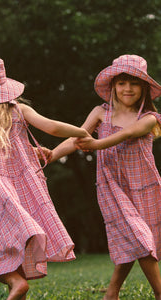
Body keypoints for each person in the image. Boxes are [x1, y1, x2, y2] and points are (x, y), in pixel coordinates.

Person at [0, 56, 89, 300]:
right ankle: (18, 286)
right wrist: (81, 131)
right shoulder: (18, 110)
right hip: (28, 188)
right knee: (20, 242)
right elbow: (53, 128)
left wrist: (31, 151)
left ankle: (15, 281)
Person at [51, 55, 161, 300]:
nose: (127, 89)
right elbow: (77, 138)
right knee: (139, 239)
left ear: (143, 87)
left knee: (136, 240)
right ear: (113, 86)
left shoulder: (149, 118)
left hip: (145, 187)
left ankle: (111, 293)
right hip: (112, 187)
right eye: (122, 83)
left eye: (134, 83)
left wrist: (98, 143)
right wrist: (52, 155)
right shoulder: (100, 113)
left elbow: (128, 133)